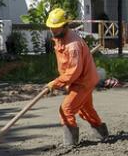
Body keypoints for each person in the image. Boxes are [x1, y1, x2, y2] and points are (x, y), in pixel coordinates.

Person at [45, 8, 107, 147]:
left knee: (66, 109)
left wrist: (56, 83)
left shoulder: (73, 45)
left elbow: (74, 71)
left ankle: (70, 142)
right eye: (51, 27)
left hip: (82, 81)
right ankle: (102, 133)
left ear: (65, 25)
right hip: (81, 79)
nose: (53, 30)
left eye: (56, 28)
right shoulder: (61, 37)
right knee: (86, 109)